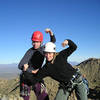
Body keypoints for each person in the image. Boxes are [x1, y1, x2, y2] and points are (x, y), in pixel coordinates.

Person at [18, 28, 56, 100]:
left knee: (44, 97)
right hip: (26, 77)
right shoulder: (30, 52)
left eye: (37, 42)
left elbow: (52, 42)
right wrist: (31, 71)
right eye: (33, 41)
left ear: (41, 42)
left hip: (37, 76)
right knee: (24, 98)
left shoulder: (43, 49)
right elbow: (20, 65)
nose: (34, 44)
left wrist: (51, 33)